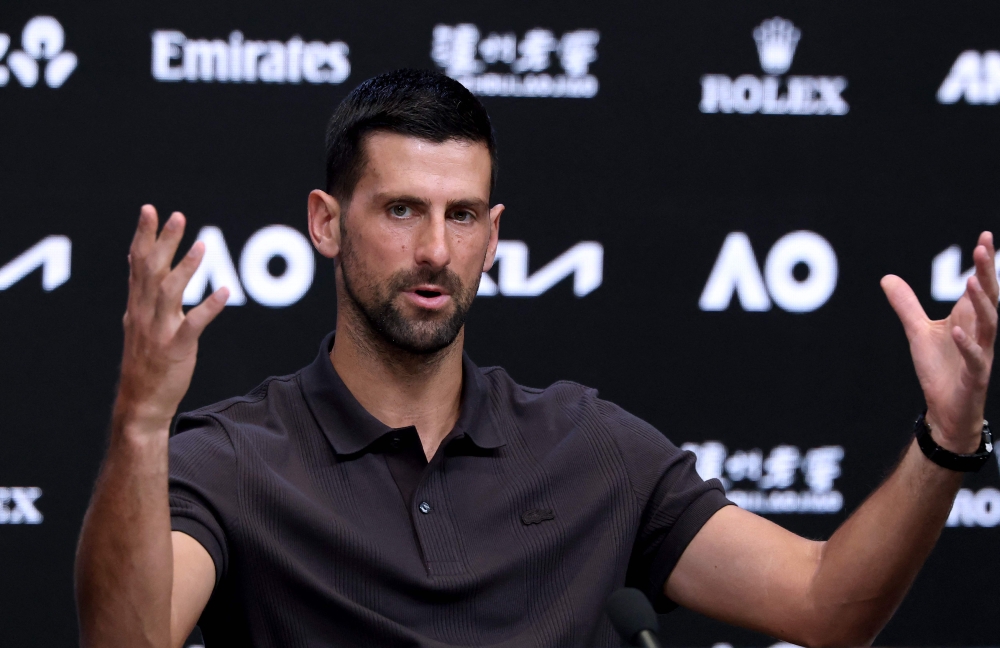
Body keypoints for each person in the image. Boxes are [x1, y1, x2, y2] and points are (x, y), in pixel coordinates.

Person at [75, 69, 997, 648]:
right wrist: (142, 422)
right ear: (326, 222)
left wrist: (947, 441)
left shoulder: (590, 445)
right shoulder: (232, 457)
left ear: (494, 234)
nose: (435, 247)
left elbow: (827, 606)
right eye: (400, 210)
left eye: (462, 215)